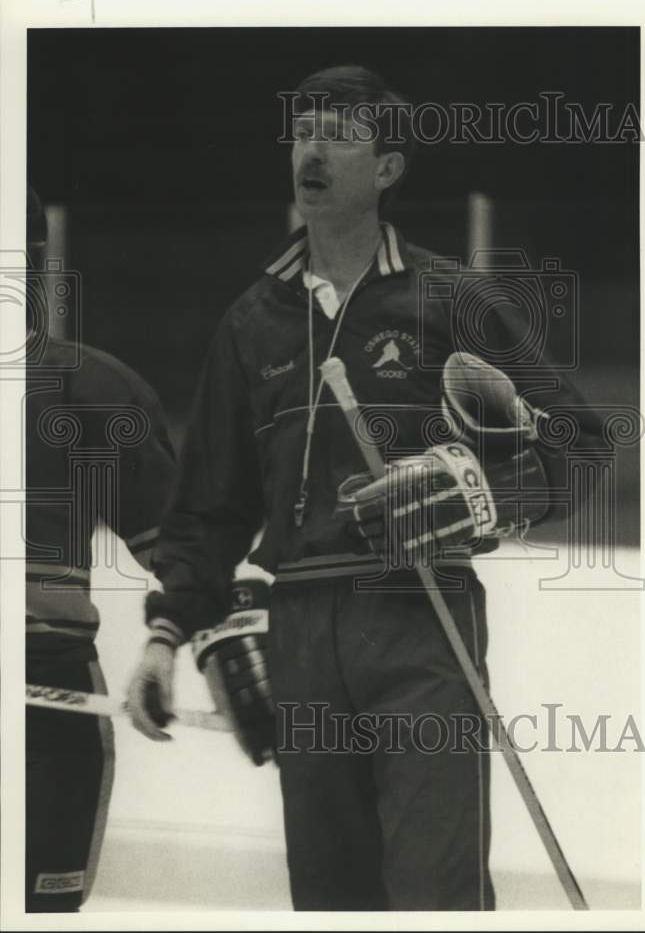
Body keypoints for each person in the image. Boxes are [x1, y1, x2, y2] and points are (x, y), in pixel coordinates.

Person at [127, 66, 598, 911]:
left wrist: (489, 495)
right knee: (330, 896)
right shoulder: (251, 319)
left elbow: (580, 443)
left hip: (420, 617)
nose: (312, 148)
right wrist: (167, 633)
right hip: (301, 624)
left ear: (387, 169)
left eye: (339, 134)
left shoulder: (449, 296)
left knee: (433, 890)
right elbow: (209, 508)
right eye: (303, 130)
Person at [25, 187, 176, 912]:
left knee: (38, 912)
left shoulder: (89, 388)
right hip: (49, 688)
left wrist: (204, 640)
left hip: (45, 691)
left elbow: (181, 549)